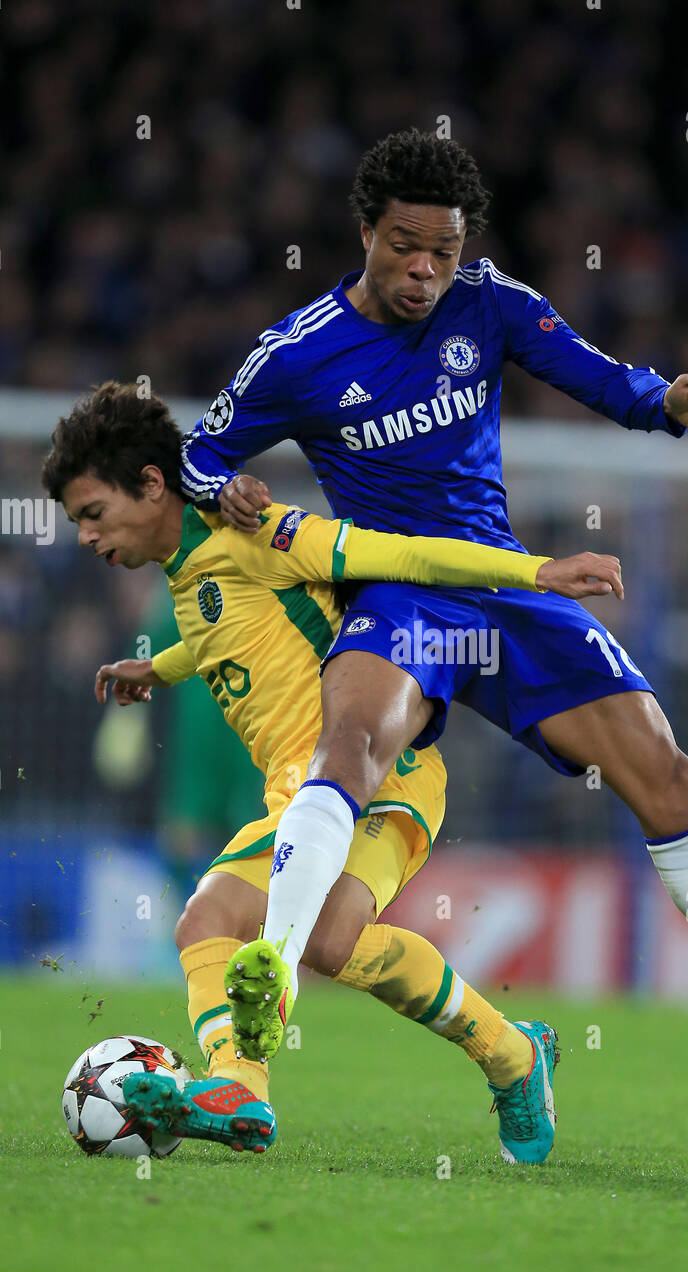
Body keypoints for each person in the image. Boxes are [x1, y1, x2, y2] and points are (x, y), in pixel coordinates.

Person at [176, 128, 688, 1152]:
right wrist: (222, 485)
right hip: (397, 596)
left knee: (670, 778)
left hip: (505, 584)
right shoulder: (296, 354)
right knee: (352, 748)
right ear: (364, 231)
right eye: (405, 246)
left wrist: (663, 401)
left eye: (443, 252)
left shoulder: (489, 302)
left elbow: (595, 375)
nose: (424, 270)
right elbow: (197, 451)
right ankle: (273, 972)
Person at [42, 380, 622, 1163]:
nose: (85, 536)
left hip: (377, 770)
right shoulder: (187, 575)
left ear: (151, 484)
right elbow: (232, 632)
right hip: (305, 792)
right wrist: (163, 670)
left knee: (210, 920)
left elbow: (404, 552)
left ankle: (239, 1082)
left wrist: (534, 571)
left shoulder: (258, 533)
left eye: (92, 514)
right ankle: (514, 1056)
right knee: (323, 941)